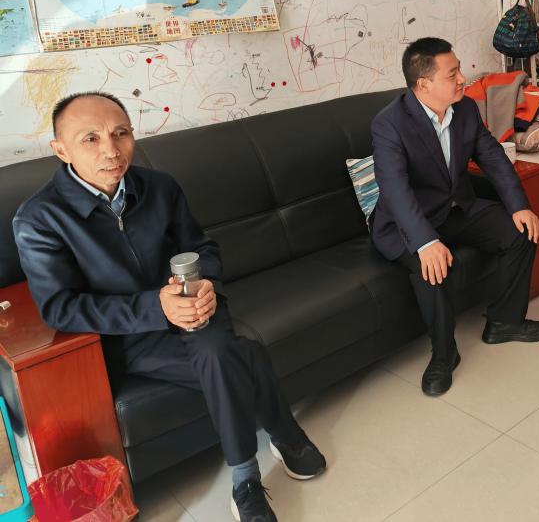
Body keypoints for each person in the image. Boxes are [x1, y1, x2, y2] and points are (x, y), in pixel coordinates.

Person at [13, 93, 325, 522]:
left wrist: (207, 282)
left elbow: (202, 248)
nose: (111, 150)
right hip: (129, 334)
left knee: (217, 350)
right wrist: (155, 308)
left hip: (196, 309)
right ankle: (272, 447)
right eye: (91, 138)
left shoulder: (159, 187)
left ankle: (244, 478)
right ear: (61, 149)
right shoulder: (39, 219)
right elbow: (59, 308)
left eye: (120, 133)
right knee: (242, 356)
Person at [370, 37, 539, 397]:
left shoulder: (465, 108)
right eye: (452, 73)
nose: (462, 79)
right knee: (431, 268)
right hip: (408, 222)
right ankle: (443, 354)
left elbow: (493, 158)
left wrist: (519, 205)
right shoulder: (389, 124)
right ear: (424, 84)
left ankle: (504, 321)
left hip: (455, 209)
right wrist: (425, 242)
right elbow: (395, 190)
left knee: (521, 231)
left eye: (459, 70)